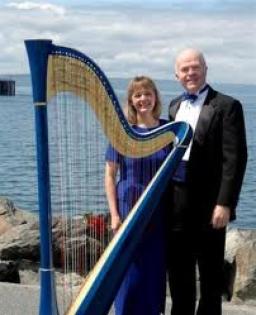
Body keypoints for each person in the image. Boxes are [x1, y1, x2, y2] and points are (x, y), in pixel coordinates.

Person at [166, 48, 247, 315]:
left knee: (211, 276)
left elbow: (235, 159)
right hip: (176, 202)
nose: (190, 73)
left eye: (195, 67)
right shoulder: (174, 106)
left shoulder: (227, 106)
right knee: (179, 273)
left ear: (205, 69)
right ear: (177, 74)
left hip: (209, 204)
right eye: (185, 69)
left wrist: (224, 203)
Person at [105, 76, 170, 315]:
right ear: (131, 101)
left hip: (158, 209)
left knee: (153, 268)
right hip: (126, 208)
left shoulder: (168, 129)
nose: (143, 99)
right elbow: (110, 176)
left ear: (155, 97)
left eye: (148, 94)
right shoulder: (122, 132)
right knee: (128, 268)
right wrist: (113, 214)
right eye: (138, 95)